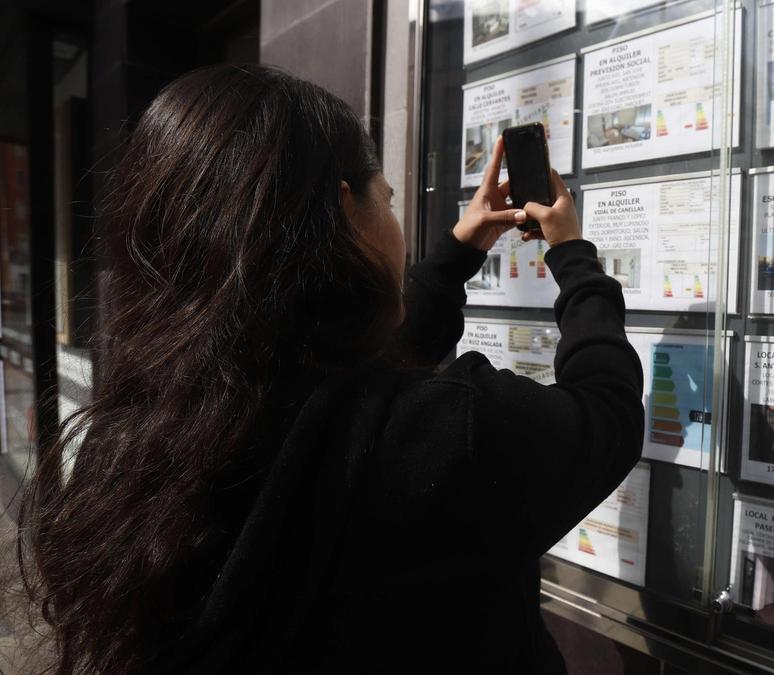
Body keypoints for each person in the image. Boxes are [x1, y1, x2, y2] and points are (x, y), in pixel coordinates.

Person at [16, 64, 644, 673]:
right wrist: (573, 257)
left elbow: (354, 376)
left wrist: (457, 253)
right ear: (346, 215)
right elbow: (606, 411)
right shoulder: (451, 438)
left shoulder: (131, 439)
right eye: (387, 200)